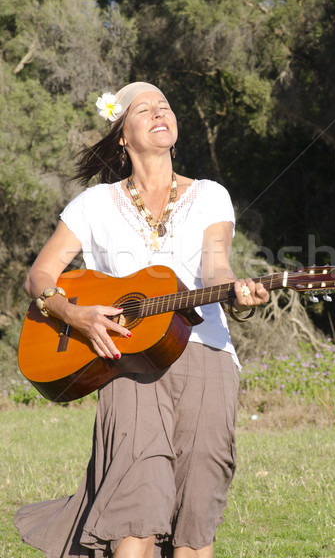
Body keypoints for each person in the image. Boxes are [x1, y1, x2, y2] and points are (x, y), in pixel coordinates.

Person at [14, 81, 269, 558]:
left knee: (198, 506)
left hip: (207, 351)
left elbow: (216, 269)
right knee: (136, 498)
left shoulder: (212, 195)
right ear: (122, 136)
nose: (159, 112)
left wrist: (238, 295)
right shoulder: (92, 205)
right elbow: (40, 276)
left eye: (165, 106)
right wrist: (75, 312)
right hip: (125, 358)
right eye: (144, 108)